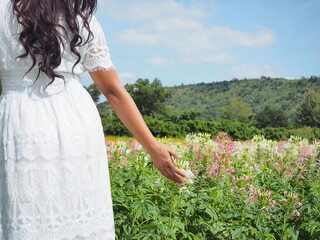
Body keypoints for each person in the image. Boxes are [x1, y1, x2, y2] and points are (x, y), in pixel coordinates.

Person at [0, 0, 188, 239]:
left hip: (20, 120)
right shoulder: (79, 18)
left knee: (26, 216)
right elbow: (112, 91)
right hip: (77, 120)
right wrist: (152, 145)